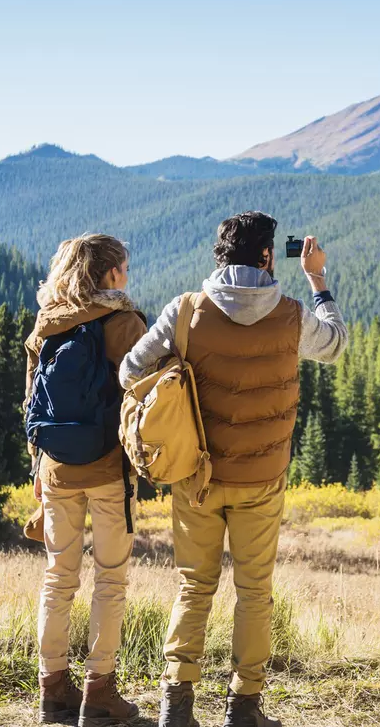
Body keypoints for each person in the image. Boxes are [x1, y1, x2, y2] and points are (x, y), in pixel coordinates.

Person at [119, 211, 348, 727]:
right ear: (268, 256)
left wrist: (176, 379)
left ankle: (177, 705)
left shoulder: (185, 311)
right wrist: (318, 280)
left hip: (196, 478)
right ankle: (244, 707)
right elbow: (335, 345)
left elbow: (131, 368)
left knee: (193, 586)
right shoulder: (292, 316)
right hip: (262, 481)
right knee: (254, 591)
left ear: (220, 256)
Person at [26, 234, 148, 726]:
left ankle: (52, 689)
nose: (127, 274)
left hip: (55, 468)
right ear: (110, 273)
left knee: (58, 577)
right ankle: (99, 692)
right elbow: (147, 399)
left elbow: (31, 402)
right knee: (110, 579)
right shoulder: (124, 323)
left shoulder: (47, 325)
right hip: (107, 468)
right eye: (124, 266)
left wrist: (37, 467)